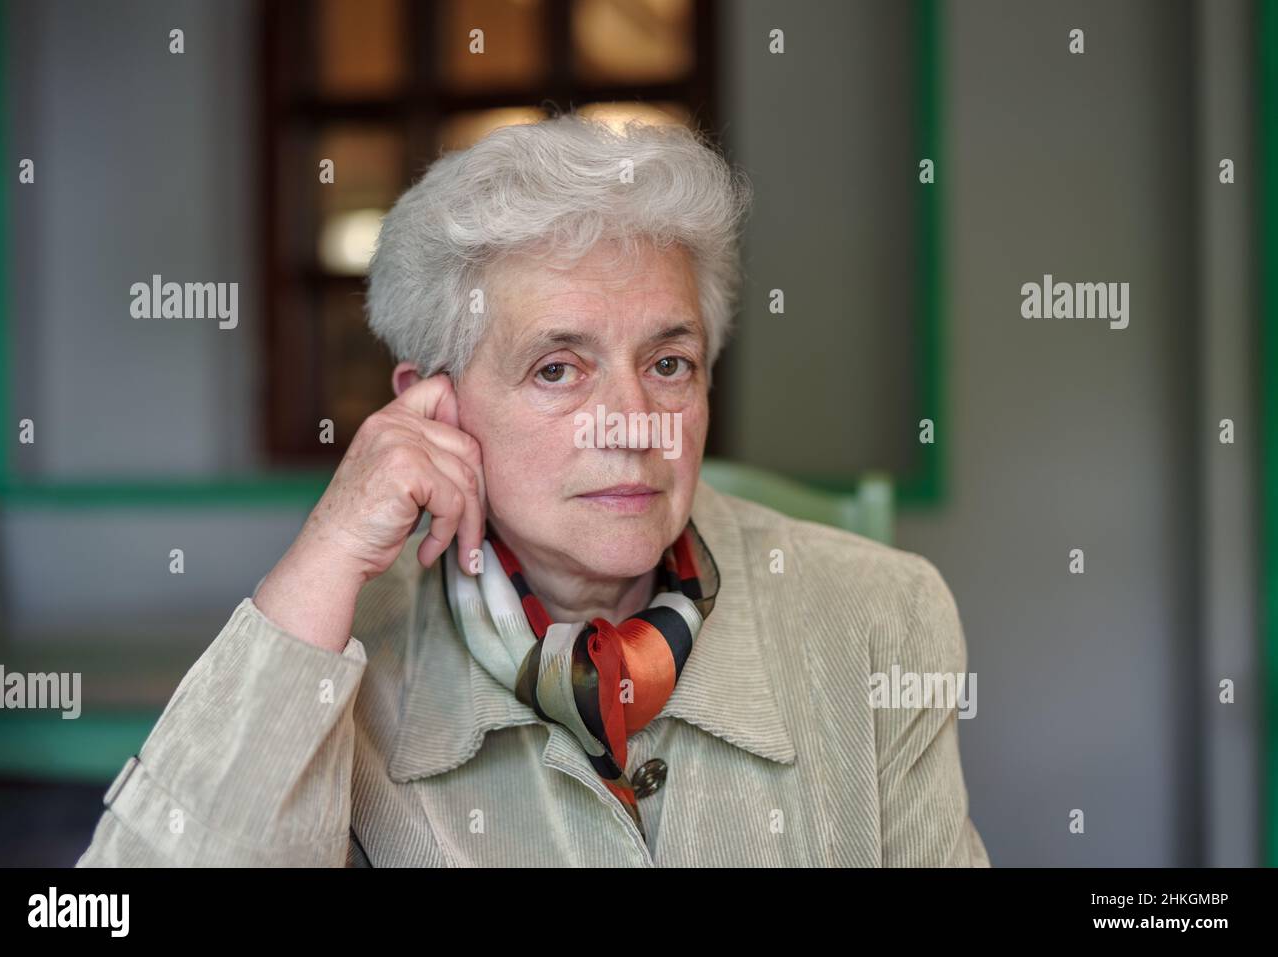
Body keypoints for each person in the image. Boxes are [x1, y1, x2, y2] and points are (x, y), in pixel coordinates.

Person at [76, 114, 990, 867]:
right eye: (558, 369)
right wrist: (329, 548)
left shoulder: (880, 617)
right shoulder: (348, 655)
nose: (634, 423)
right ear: (435, 408)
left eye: (669, 363)